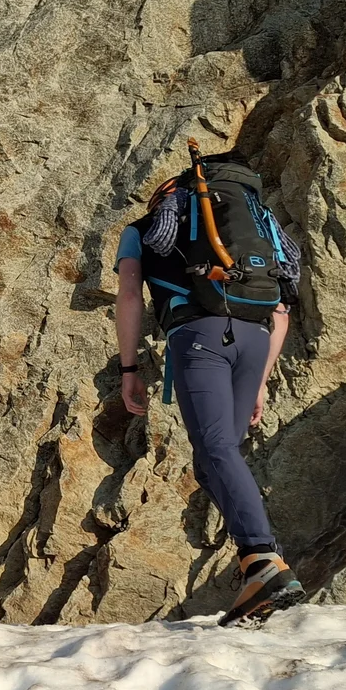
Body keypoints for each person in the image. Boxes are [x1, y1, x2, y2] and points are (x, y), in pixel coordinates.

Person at [115, 150, 306, 626]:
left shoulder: (145, 225)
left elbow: (128, 294)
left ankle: (263, 560)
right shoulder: (260, 225)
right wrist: (260, 379)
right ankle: (265, 569)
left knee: (216, 447)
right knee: (215, 461)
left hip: (199, 336)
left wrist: (129, 368)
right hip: (257, 336)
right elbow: (282, 309)